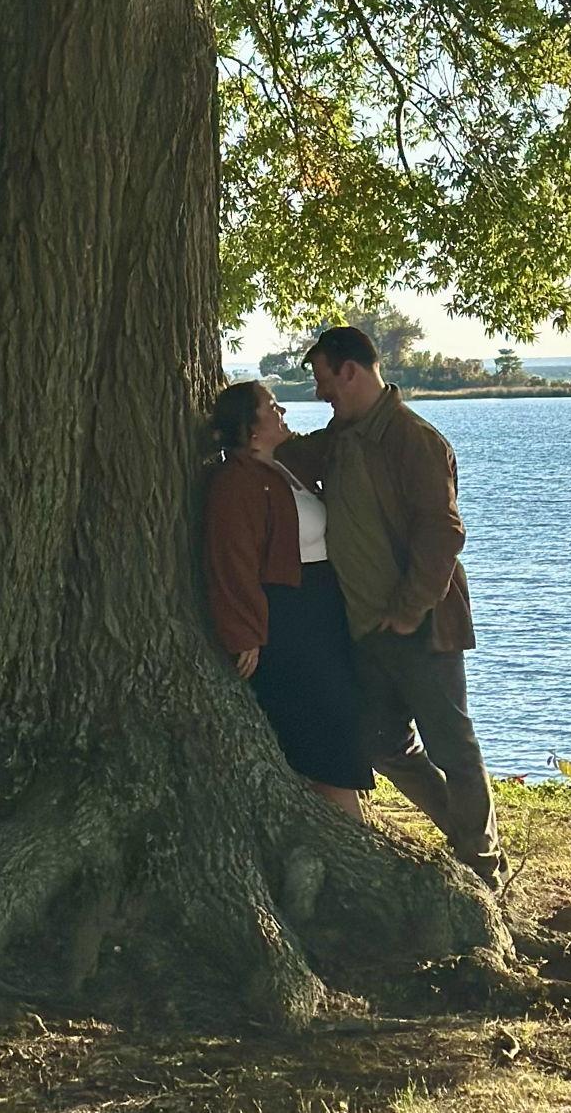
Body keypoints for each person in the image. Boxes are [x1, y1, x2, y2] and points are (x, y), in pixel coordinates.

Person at [280, 325, 507, 890]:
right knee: (378, 742)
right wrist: (264, 442)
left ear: (350, 371)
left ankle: (482, 864)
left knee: (452, 744)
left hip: (421, 627)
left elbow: (443, 535)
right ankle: (463, 836)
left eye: (323, 379)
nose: (319, 393)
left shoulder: (414, 440)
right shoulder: (342, 435)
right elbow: (299, 458)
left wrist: (408, 612)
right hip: (367, 631)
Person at [202, 379, 373, 819]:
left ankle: (346, 828)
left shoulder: (284, 467)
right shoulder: (236, 481)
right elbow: (232, 560)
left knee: (340, 716)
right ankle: (347, 828)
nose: (283, 414)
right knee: (323, 724)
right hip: (289, 616)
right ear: (252, 428)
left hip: (320, 610)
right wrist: (245, 632)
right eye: (273, 407)